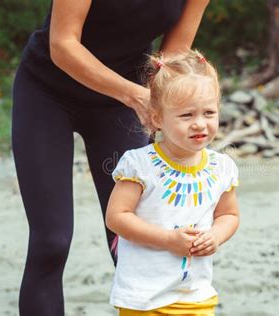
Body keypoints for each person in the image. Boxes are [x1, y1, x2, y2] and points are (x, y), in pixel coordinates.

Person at [11, 0, 211, 315]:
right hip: (47, 93)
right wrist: (135, 96)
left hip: (121, 106)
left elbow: (169, 58)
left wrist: (178, 110)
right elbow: (63, 45)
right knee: (51, 242)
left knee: (136, 242)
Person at [105, 49, 240, 315]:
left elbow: (229, 215)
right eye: (187, 115)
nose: (199, 124)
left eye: (209, 113)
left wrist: (216, 235)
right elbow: (117, 217)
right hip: (143, 298)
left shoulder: (222, 167)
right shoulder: (139, 165)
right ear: (157, 119)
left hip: (197, 296)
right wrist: (168, 239)